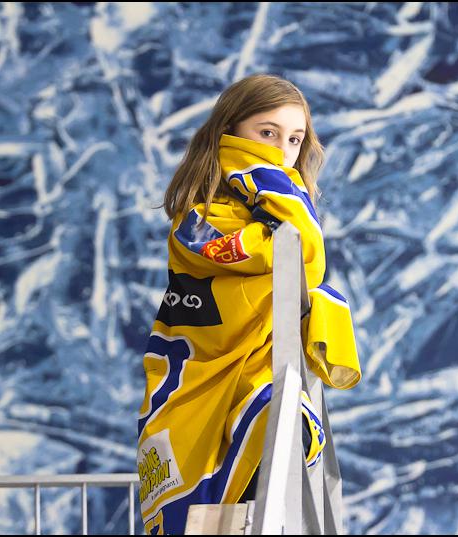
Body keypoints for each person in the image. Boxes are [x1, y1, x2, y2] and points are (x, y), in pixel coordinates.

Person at [136, 74, 361, 535]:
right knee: (214, 518)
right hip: (197, 389)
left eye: (294, 139)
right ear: (230, 133)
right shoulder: (196, 222)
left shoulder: (278, 216)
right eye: (267, 133)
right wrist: (270, 182)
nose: (281, 151)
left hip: (261, 385)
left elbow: (302, 252)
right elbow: (299, 248)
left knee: (274, 468)